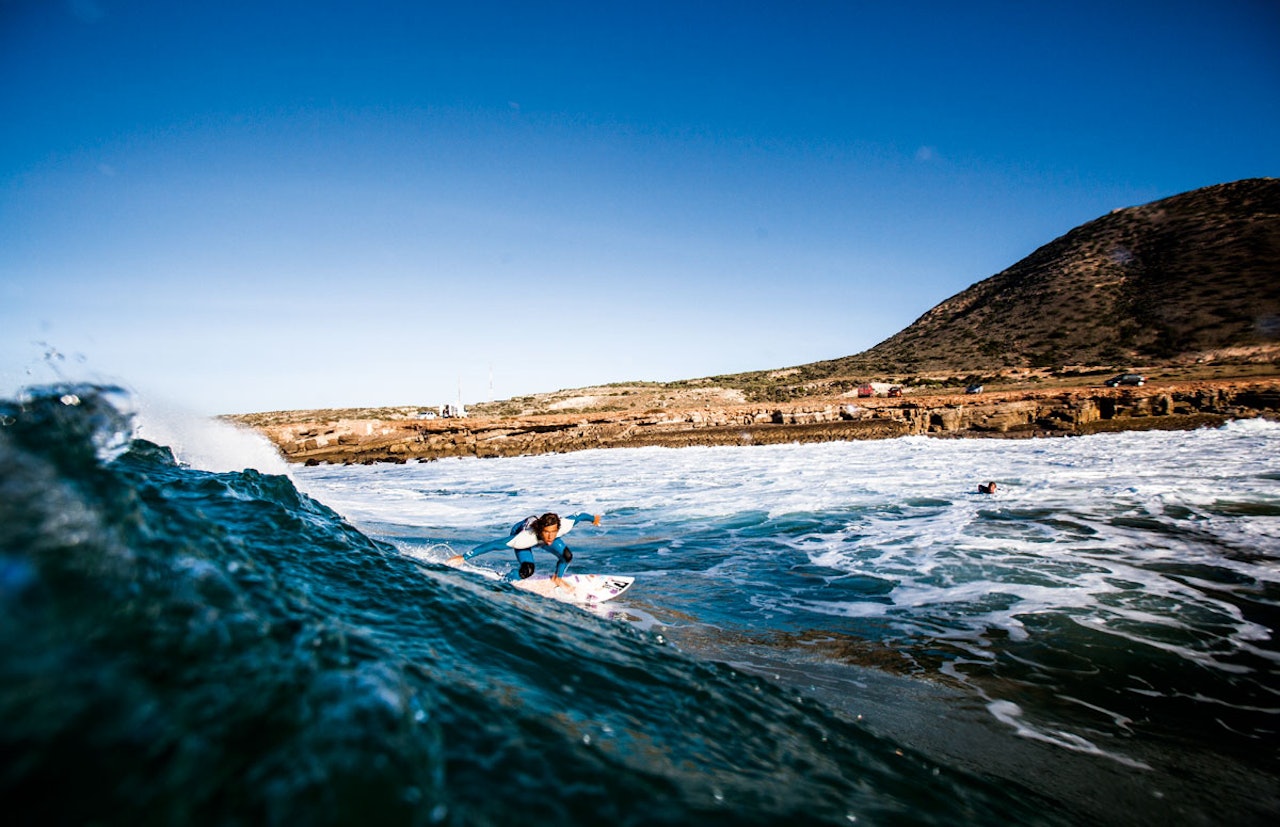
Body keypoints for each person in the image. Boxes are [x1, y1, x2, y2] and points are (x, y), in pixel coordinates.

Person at [448, 512, 601, 587]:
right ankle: (505, 582)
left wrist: (594, 519)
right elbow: (493, 545)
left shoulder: (563, 526)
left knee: (567, 556)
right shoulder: (524, 538)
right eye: (547, 533)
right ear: (541, 530)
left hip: (538, 534)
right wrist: (464, 556)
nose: (550, 536)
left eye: (553, 532)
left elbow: (579, 516)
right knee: (527, 570)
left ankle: (557, 578)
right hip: (520, 533)